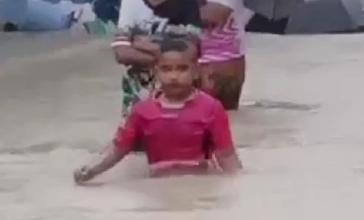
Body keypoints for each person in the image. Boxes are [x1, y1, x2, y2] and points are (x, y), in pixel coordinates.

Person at [74, 37, 242, 183]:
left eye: (182, 68)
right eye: (166, 69)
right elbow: (119, 148)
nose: (174, 76)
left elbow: (226, 156)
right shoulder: (142, 111)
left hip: (201, 183)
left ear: (196, 71)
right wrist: (92, 169)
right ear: (156, 71)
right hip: (157, 184)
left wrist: (241, 183)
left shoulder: (211, 108)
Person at [112, 0, 203, 115]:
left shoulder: (187, 3)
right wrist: (170, 56)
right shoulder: (131, 1)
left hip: (180, 94)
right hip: (137, 95)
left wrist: (145, 46)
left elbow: (190, 53)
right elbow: (121, 53)